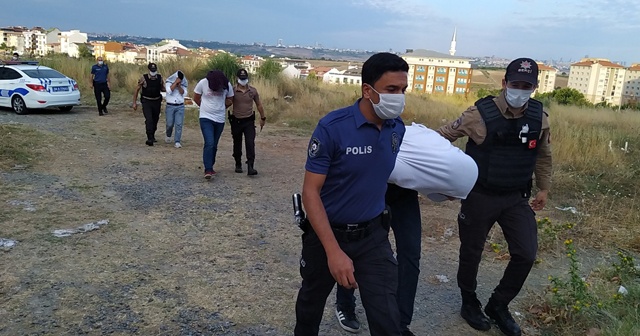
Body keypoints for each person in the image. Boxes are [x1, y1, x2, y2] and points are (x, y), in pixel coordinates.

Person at [435, 58, 552, 336]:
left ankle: (498, 305)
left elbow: (544, 155)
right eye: (515, 84)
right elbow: (442, 138)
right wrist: (445, 180)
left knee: (526, 253)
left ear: (534, 87)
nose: (520, 90)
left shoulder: (539, 117)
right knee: (471, 251)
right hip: (480, 196)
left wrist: (544, 188)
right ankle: (468, 301)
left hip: (515, 198)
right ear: (504, 84)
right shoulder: (479, 113)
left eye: (527, 86)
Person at [294, 52, 408, 336]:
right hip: (326, 237)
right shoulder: (333, 128)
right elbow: (310, 192)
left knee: (387, 316)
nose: (399, 97)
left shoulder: (397, 128)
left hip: (373, 237)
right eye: (391, 90)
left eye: (403, 90)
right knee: (309, 307)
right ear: (367, 90)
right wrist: (334, 253)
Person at [336, 123, 479, 336]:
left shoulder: (443, 161)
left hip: (404, 191)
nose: (451, 200)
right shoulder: (401, 169)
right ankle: (345, 305)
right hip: (374, 181)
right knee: (359, 246)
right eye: (452, 196)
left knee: (411, 252)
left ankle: (401, 323)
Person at [193, 70, 234, 179]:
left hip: (220, 119)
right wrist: (204, 108)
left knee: (214, 144)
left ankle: (211, 165)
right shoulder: (203, 83)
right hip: (206, 118)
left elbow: (230, 98)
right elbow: (196, 97)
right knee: (209, 142)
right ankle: (208, 169)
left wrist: (222, 107)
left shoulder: (227, 84)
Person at [229, 68, 266, 175]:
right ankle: (238, 163)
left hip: (249, 121)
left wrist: (263, 117)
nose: (243, 80)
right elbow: (227, 102)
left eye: (245, 78)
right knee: (237, 143)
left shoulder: (253, 91)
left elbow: (259, 104)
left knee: (250, 143)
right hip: (236, 121)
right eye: (241, 78)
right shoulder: (233, 90)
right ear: (237, 79)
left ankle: (250, 166)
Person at [133, 63, 165, 146]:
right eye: (152, 70)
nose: (153, 72)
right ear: (148, 70)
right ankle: (149, 137)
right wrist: (134, 103)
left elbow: (163, 88)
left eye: (154, 70)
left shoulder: (160, 78)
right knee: (149, 119)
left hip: (157, 101)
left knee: (155, 119)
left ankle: (153, 134)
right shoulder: (144, 78)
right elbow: (137, 89)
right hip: (146, 101)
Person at [165, 70, 188, 148]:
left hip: (180, 106)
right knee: (169, 124)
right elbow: (169, 91)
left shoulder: (183, 84)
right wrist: (175, 83)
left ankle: (177, 141)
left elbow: (183, 93)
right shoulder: (168, 82)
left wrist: (179, 86)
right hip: (170, 106)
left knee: (179, 124)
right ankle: (168, 135)